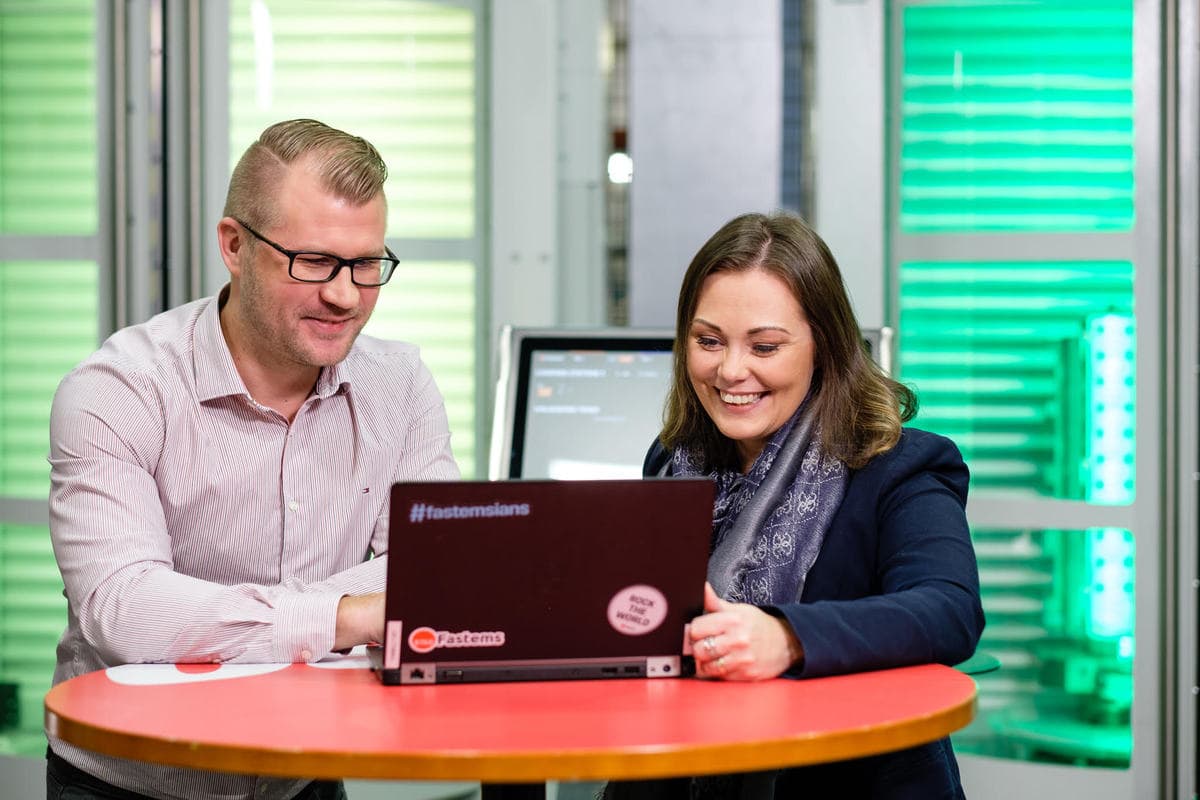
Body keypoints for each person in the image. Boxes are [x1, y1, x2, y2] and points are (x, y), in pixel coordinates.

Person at [46, 119, 459, 800]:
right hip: (135, 781)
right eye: (315, 262)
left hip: (305, 775)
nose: (346, 296)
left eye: (365, 265)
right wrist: (350, 615)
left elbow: (429, 571)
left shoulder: (401, 383)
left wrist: (211, 617)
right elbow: (124, 610)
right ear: (234, 246)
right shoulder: (117, 391)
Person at [605, 211, 984, 799]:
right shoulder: (672, 459)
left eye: (765, 346)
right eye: (708, 341)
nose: (731, 370)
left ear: (824, 347)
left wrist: (787, 637)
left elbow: (948, 611)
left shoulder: (899, 466)